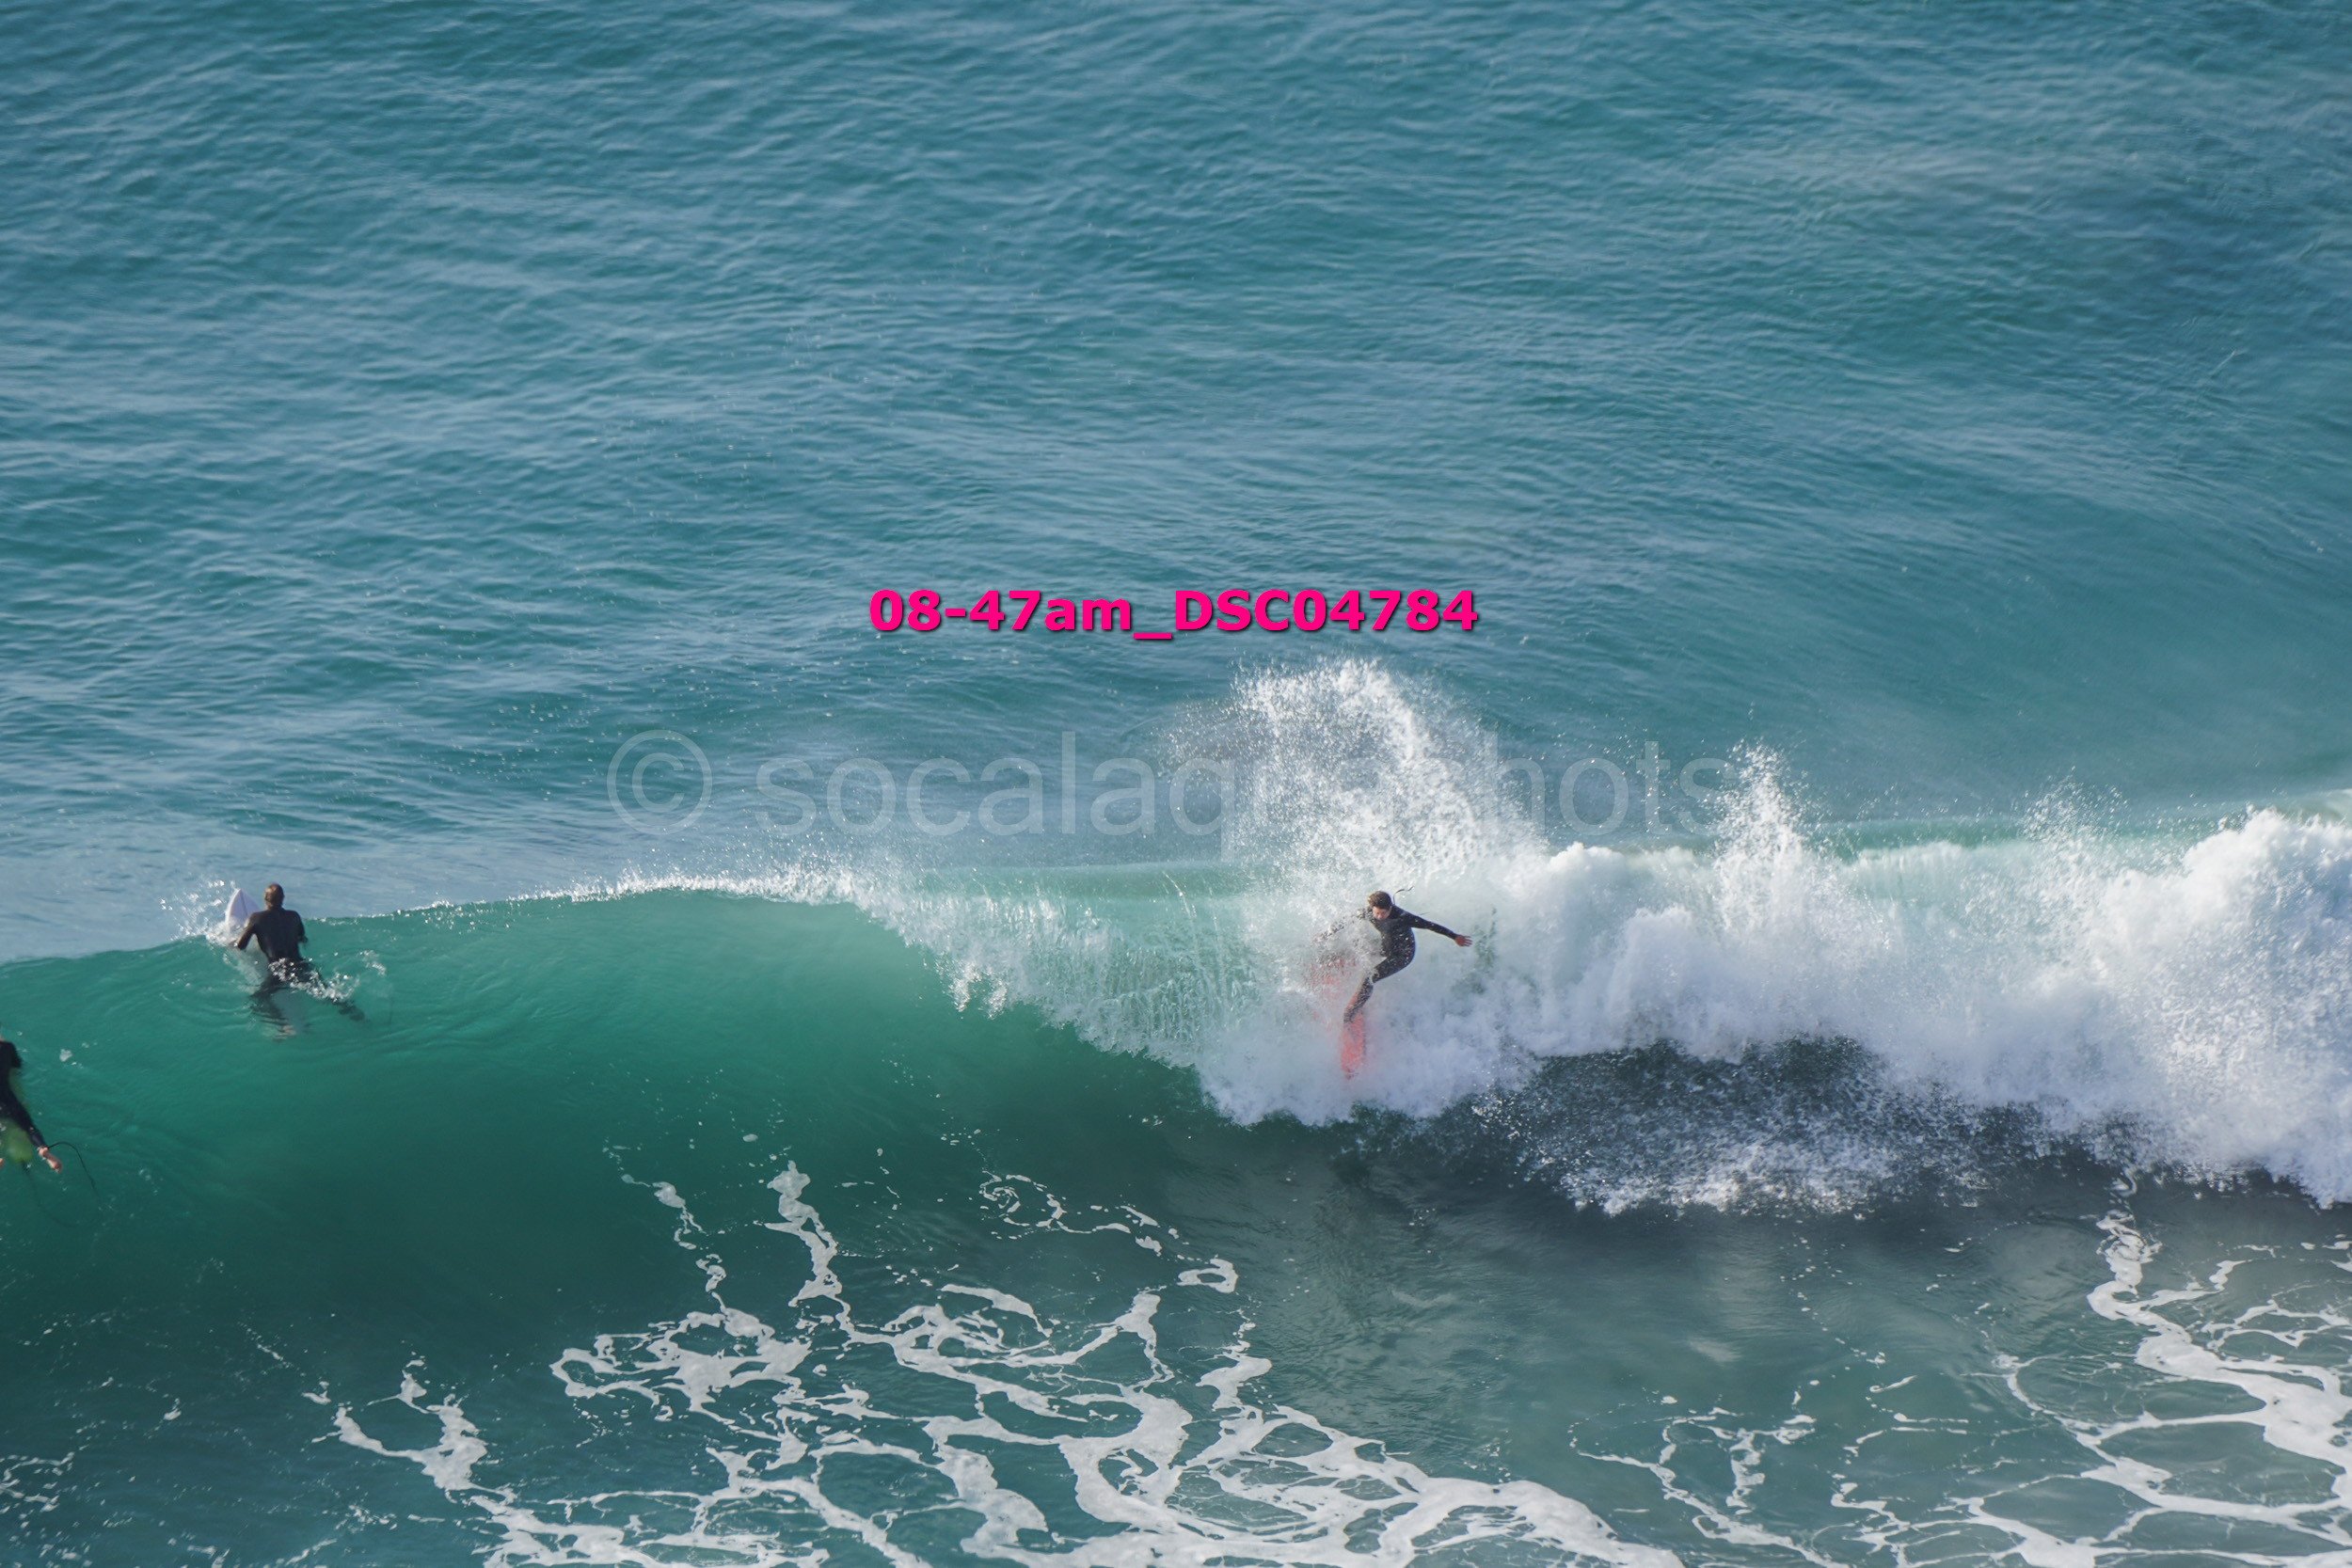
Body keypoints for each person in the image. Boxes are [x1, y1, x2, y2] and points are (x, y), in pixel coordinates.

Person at [1343, 890, 1471, 1023]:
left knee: (1369, 978)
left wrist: (1455, 936)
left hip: (1402, 955)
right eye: (1377, 913)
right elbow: (1346, 920)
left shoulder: (1403, 917)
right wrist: (1326, 935)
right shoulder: (1368, 912)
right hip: (1386, 946)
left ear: (1390, 908)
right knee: (1353, 948)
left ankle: (1350, 1015)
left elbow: (1429, 925)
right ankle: (1332, 966)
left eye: (1383, 913)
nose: (1380, 917)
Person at [0, 1033, 64, 1173]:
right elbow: (17, 1066)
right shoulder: (7, 1047)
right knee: (29, 1127)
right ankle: (43, 1149)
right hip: (7, 1100)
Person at [234, 883, 310, 973]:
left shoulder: (257, 918)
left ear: (265, 897)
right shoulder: (294, 916)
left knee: (266, 987)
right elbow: (302, 939)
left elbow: (240, 946)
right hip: (300, 964)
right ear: (283, 898)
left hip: (280, 967)